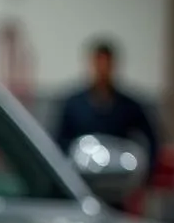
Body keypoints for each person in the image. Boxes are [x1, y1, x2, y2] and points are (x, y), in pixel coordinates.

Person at [53, 38, 160, 175]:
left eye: (106, 64)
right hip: (82, 176)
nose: (102, 70)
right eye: (99, 64)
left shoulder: (129, 107)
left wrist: (146, 174)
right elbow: (59, 141)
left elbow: (152, 138)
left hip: (119, 178)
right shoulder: (73, 105)